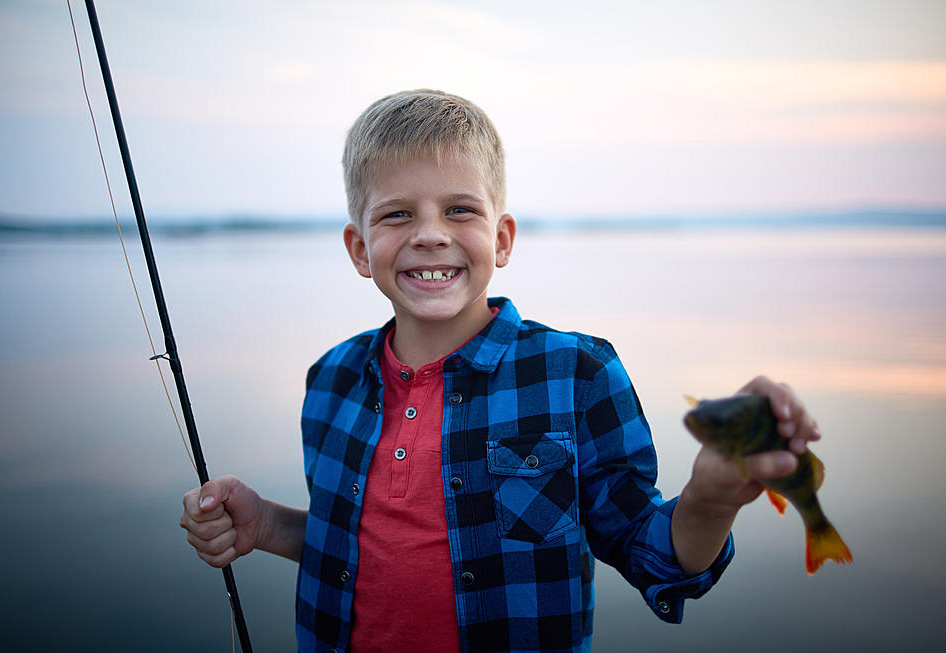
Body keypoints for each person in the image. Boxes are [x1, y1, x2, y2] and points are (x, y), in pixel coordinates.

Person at [180, 89, 820, 653]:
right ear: (358, 248)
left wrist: (710, 499)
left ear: (503, 237)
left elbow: (652, 552)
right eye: (397, 214)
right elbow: (355, 542)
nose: (431, 235)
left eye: (460, 210)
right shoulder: (331, 380)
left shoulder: (575, 370)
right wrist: (265, 525)